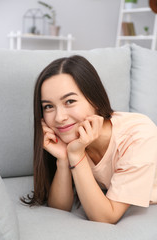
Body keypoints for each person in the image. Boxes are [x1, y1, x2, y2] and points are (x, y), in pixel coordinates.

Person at [22, 55, 157, 224]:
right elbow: (58, 210)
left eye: (69, 101)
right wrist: (64, 159)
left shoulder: (138, 135)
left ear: (95, 100)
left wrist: (77, 156)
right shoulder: (72, 137)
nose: (59, 117)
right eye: (48, 106)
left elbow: (105, 217)